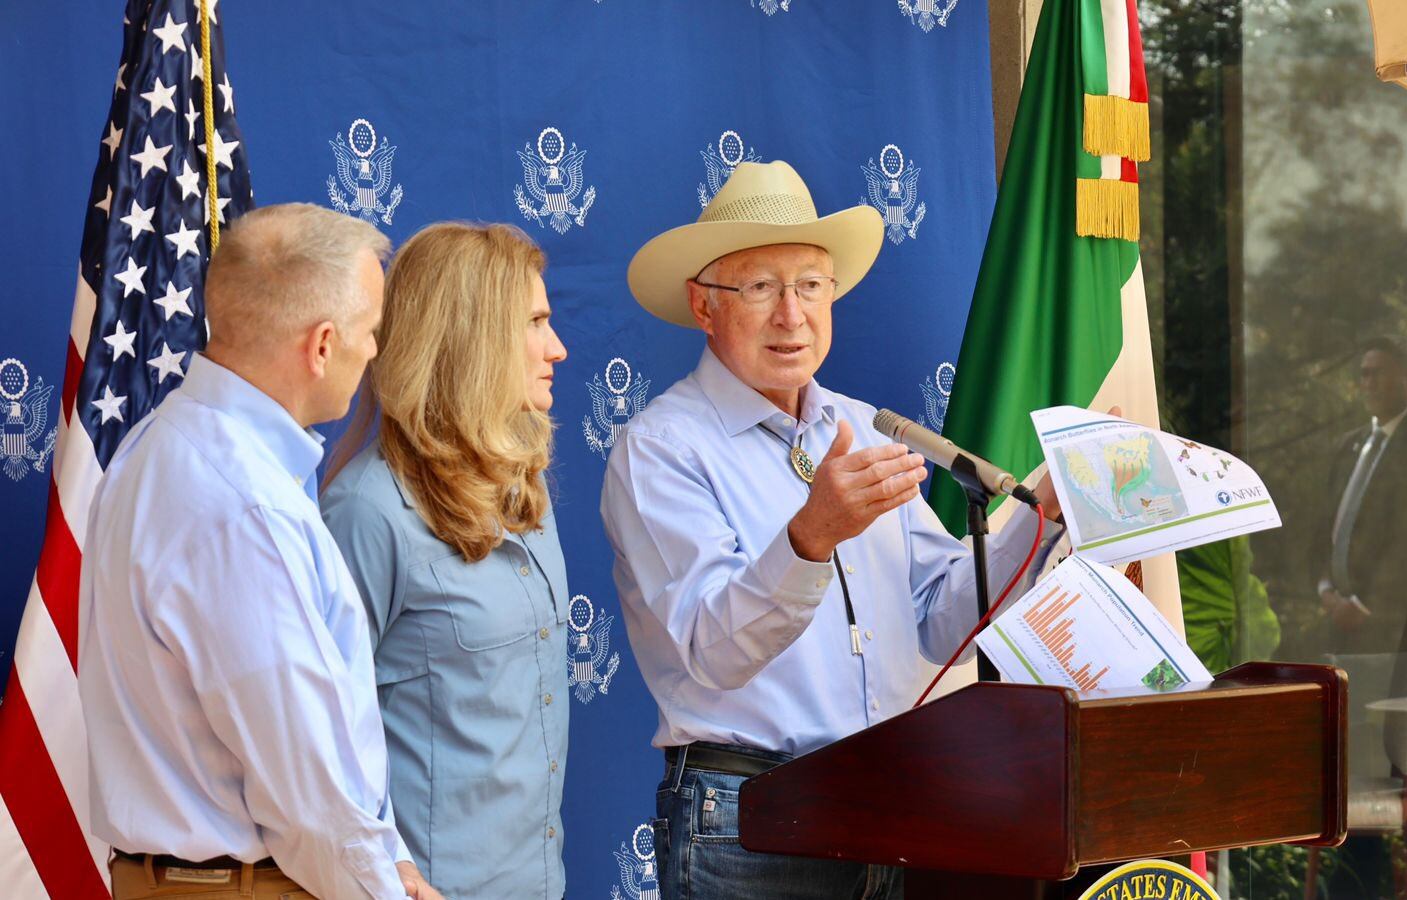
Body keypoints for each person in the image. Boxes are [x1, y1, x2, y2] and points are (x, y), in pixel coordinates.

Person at [600, 160, 1066, 900]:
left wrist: (1042, 528)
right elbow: (711, 654)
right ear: (703, 305)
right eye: (760, 287)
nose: (793, 314)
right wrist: (808, 539)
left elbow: (942, 624)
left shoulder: (859, 425)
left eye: (812, 286)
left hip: (885, 806)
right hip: (748, 821)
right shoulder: (662, 448)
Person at [78, 203, 441, 899]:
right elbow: (304, 783)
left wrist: (385, 862)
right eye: (371, 332)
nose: (375, 351)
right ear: (324, 344)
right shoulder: (244, 507)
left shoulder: (153, 451)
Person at [321, 222, 571, 899]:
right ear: (475, 336)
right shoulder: (367, 512)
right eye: (537, 323)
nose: (559, 349)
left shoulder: (526, 492)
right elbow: (318, 739)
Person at [1313, 334, 1407, 654]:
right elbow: (1328, 523)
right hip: (1338, 616)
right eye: (1364, 373)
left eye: (1379, 373)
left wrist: (1365, 606)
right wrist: (1325, 587)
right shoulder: (1349, 445)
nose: (1369, 382)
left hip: (1390, 627)